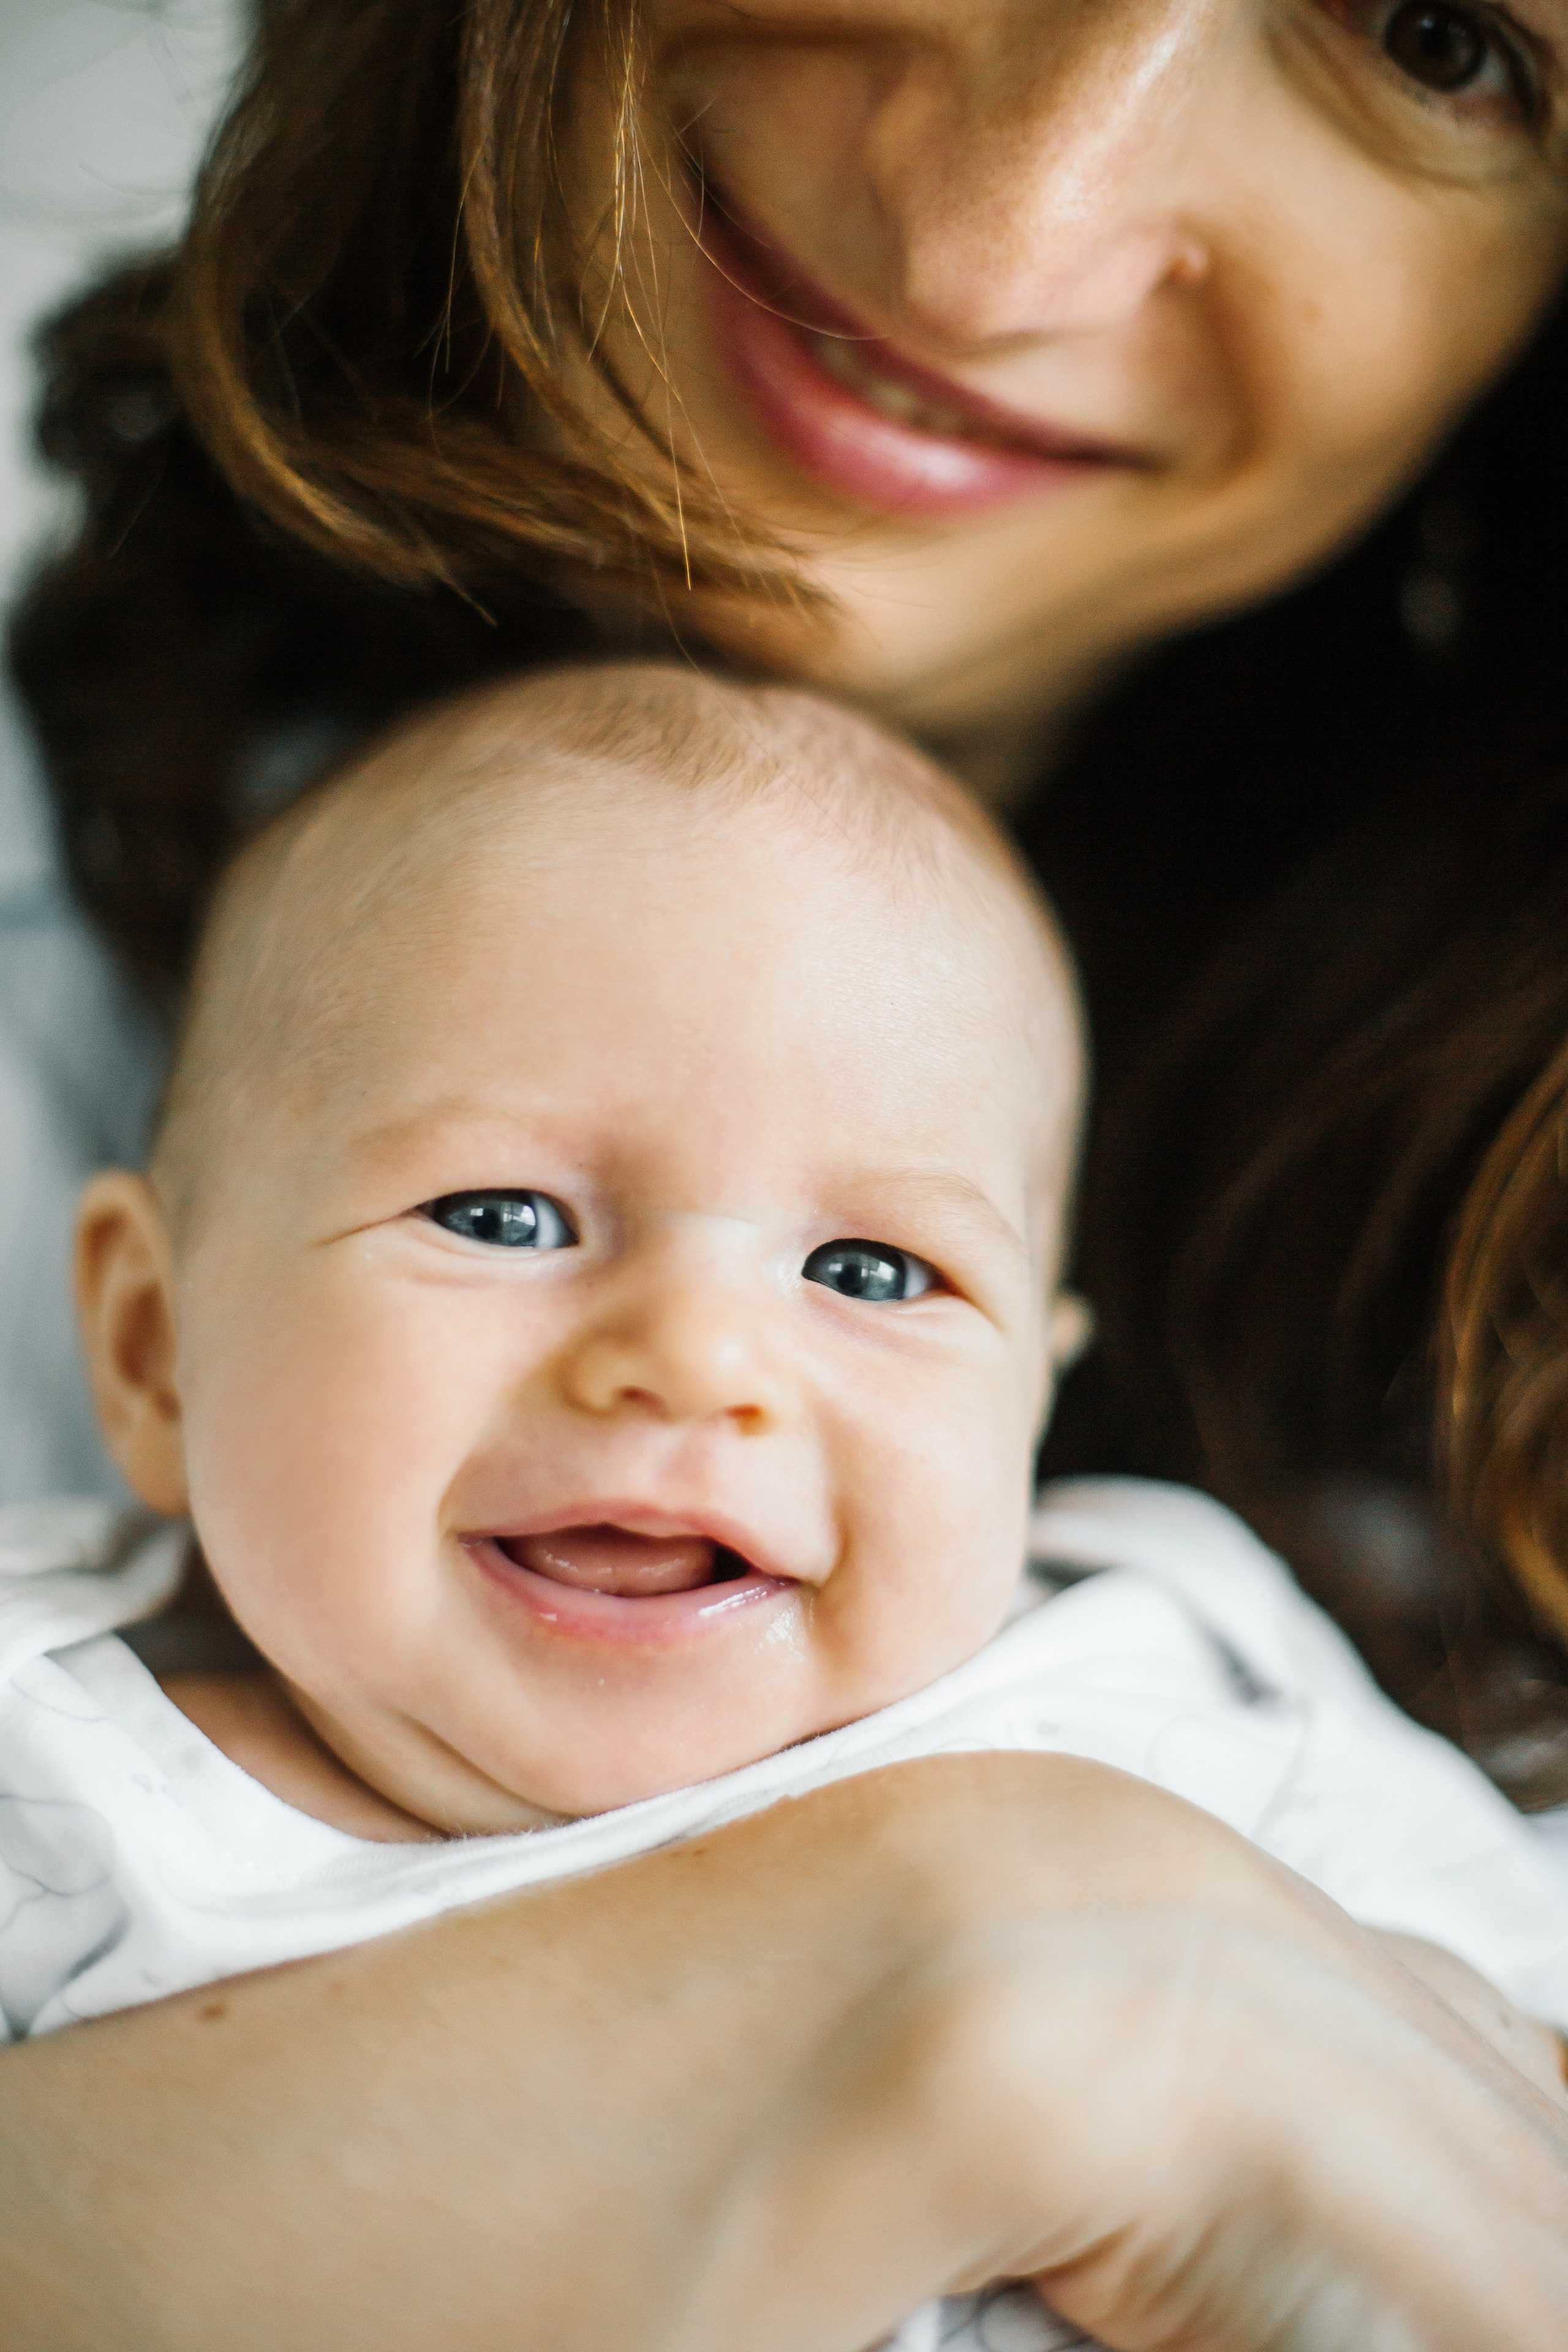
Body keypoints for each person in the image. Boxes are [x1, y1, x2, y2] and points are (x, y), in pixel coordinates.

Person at [7, 1, 1568, 2341]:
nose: (992, 239)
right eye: (505, 1219)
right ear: (143, 1339)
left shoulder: (1167, 1668)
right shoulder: (57, 1754)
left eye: (1438, 37)